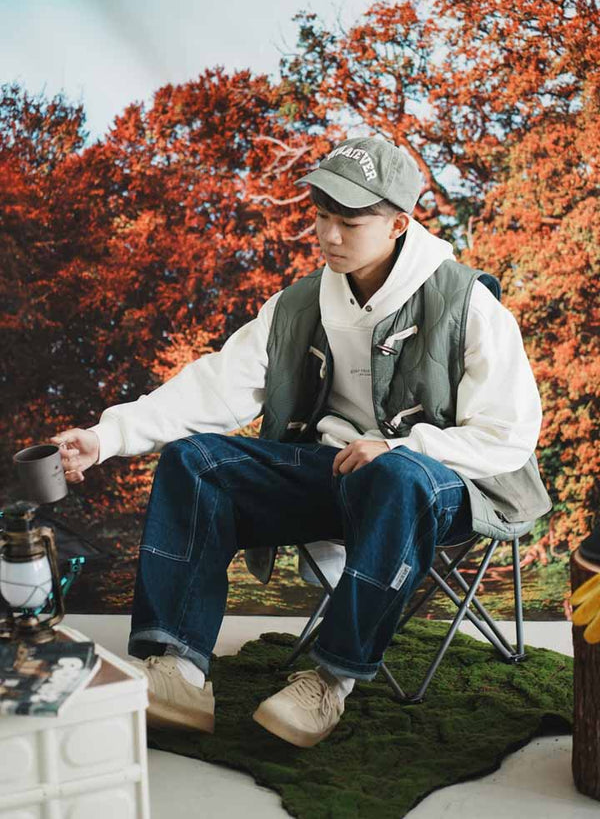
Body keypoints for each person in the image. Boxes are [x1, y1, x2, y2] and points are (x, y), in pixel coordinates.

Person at [50, 135, 551, 748]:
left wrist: (403, 449)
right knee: (194, 461)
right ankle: (178, 669)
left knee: (396, 476)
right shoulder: (298, 304)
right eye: (321, 216)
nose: (329, 236)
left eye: (350, 222)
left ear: (398, 223)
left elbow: (508, 432)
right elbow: (215, 386)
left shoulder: (466, 301)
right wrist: (105, 438)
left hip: (444, 486)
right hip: (334, 473)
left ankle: (330, 681)